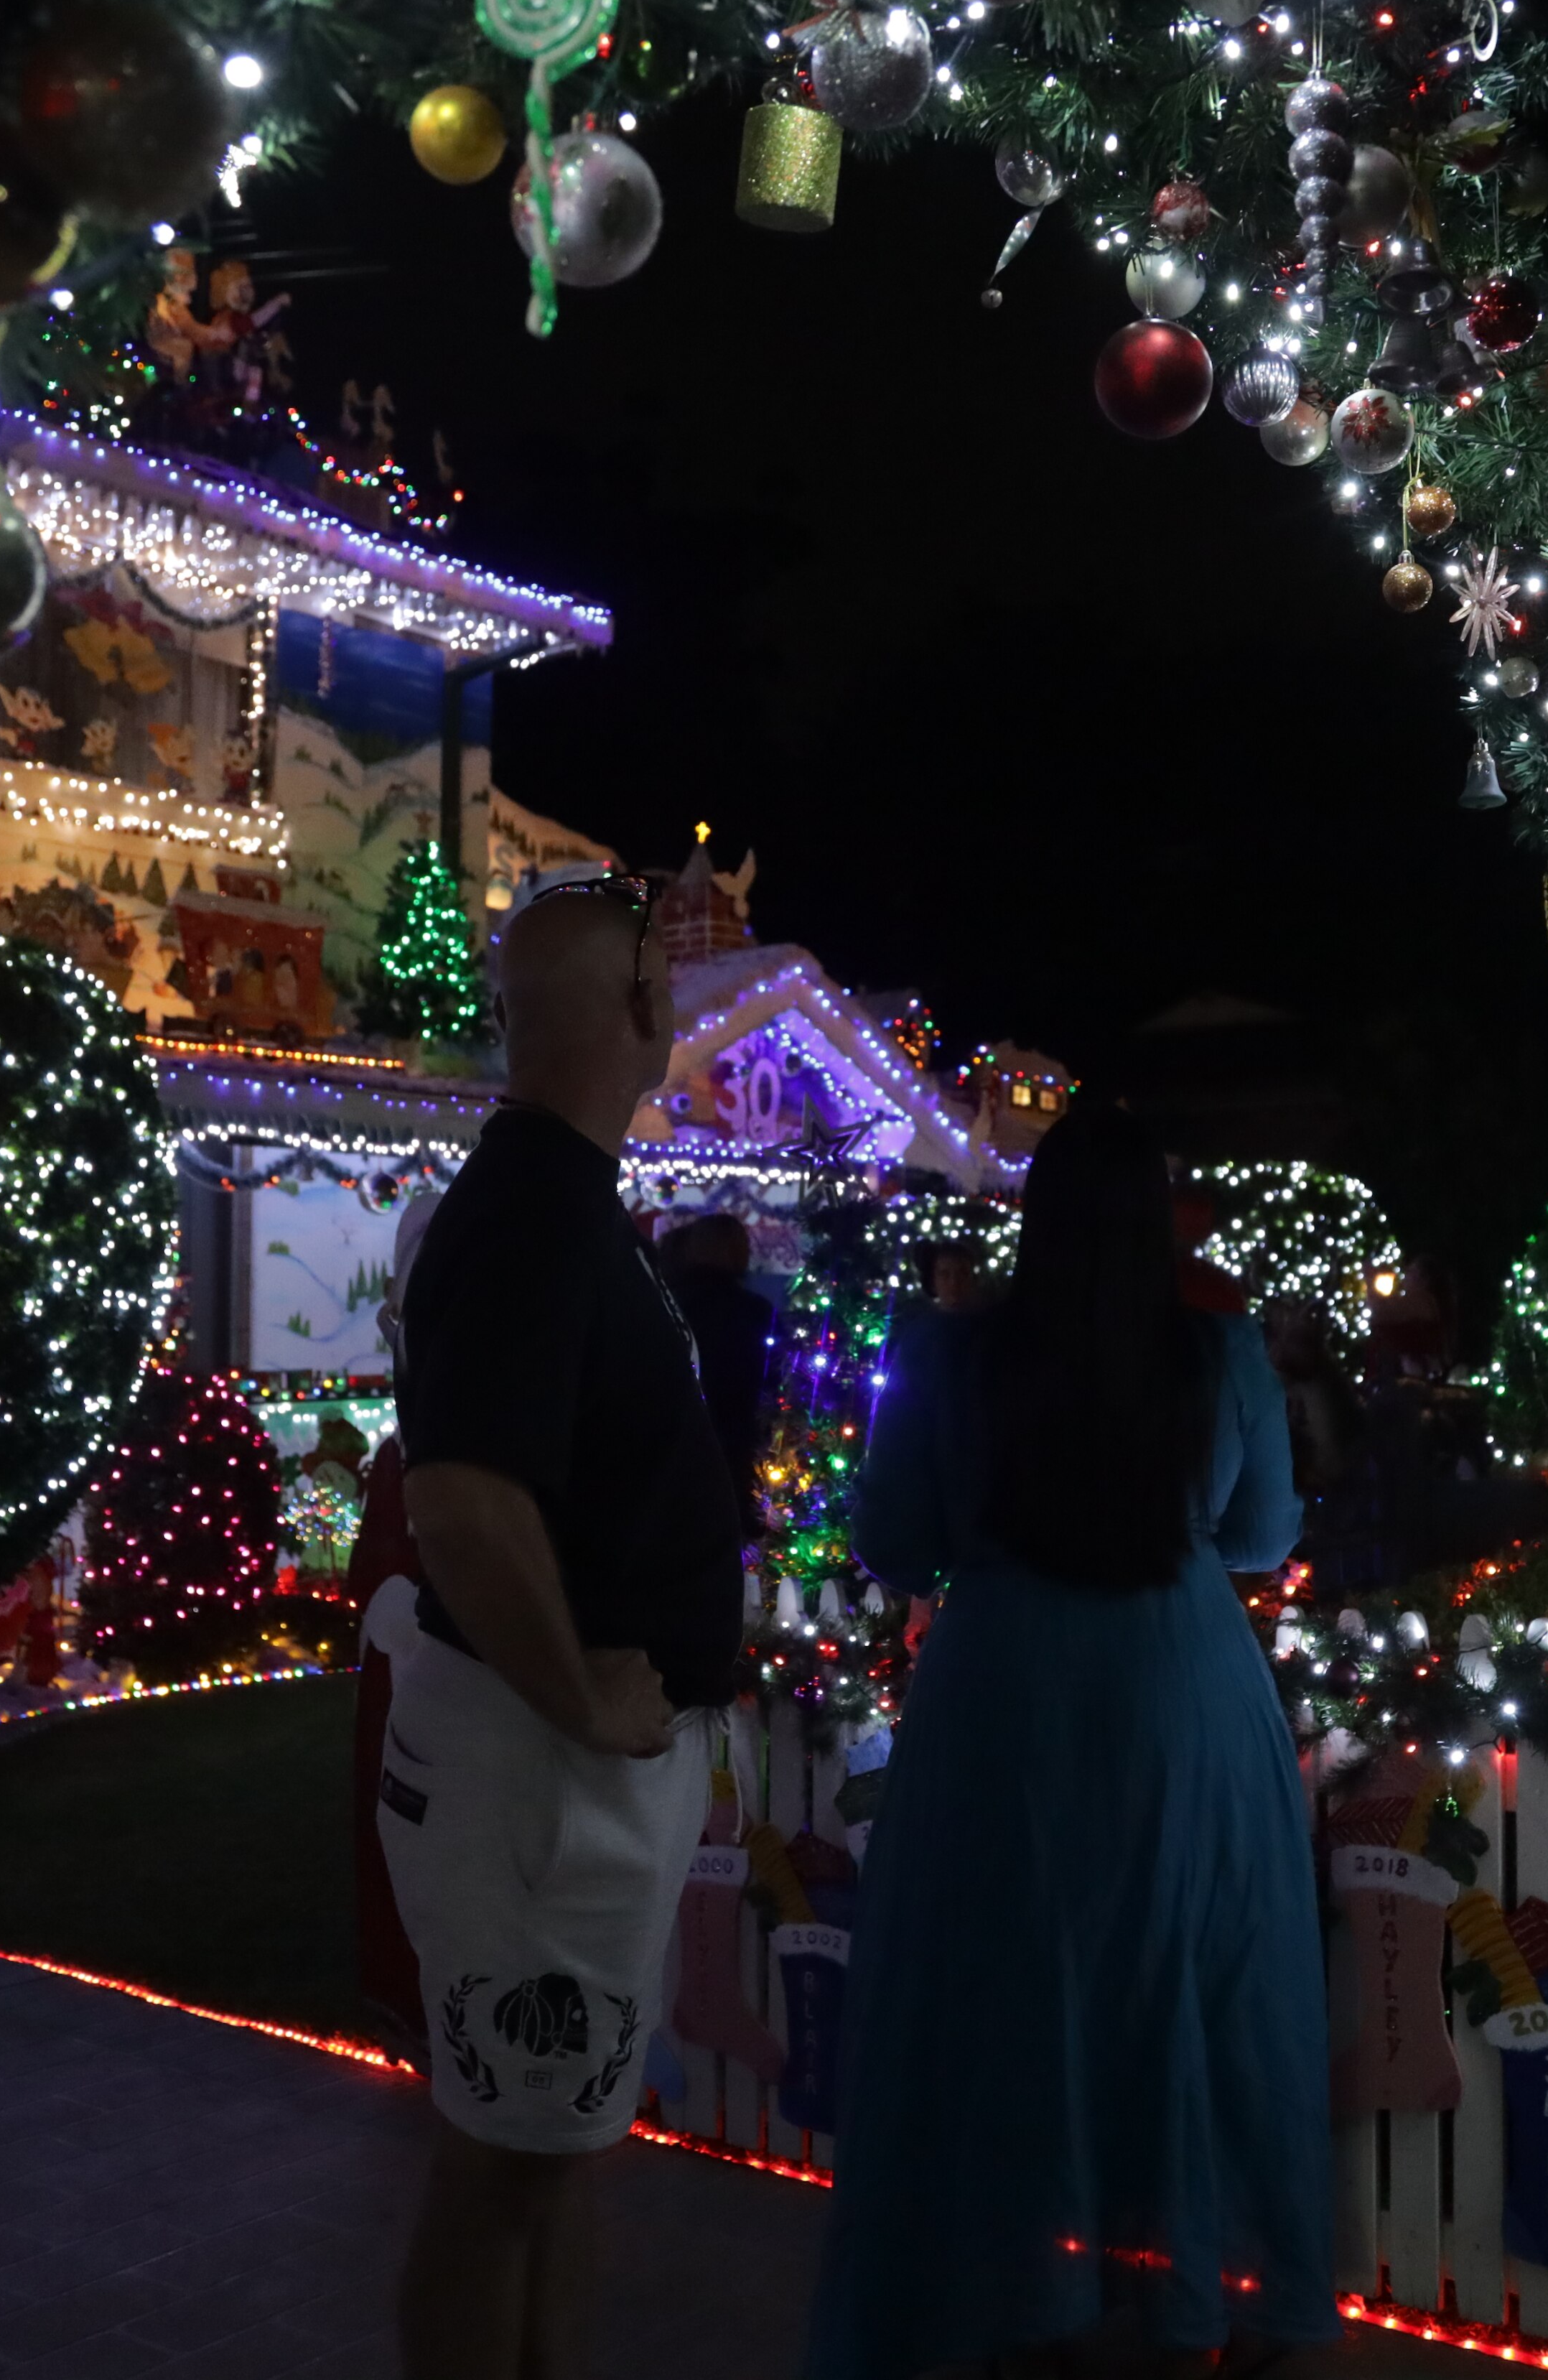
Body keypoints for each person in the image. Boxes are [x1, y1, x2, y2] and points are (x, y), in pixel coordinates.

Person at [809, 1104, 1334, 2380]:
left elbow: (893, 1537)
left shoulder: (948, 1353)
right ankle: (1191, 2294)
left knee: (1006, 1984)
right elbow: (1263, 1537)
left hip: (1005, 1694)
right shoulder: (1223, 1356)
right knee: (1189, 1983)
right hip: (1181, 1693)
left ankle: (1019, 2287)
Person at [380, 876, 742, 2380]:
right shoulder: (532, 1206)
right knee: (505, 2163)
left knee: (550, 2148)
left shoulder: (563, 1200)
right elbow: (463, 1502)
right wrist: (579, 1696)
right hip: (540, 1784)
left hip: (568, 1785)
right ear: (644, 1006)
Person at [658, 1211, 779, 1533]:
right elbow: (773, 1378)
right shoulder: (755, 1312)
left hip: (672, 1434)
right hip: (737, 1439)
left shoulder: (668, 1302)